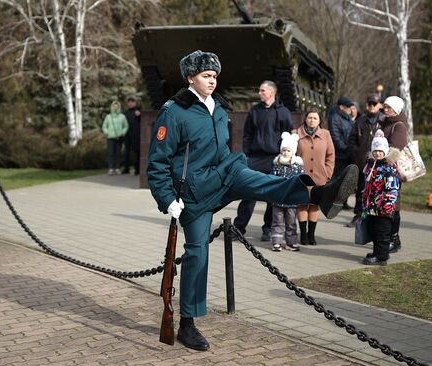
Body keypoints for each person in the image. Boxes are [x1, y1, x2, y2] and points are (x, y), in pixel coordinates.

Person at [147, 50, 358, 351]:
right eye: (206, 76)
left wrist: (232, 168)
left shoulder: (219, 109)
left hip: (224, 173)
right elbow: (157, 162)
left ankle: (318, 194)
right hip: (194, 194)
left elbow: (222, 148)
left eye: (215, 76)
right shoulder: (174, 112)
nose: (212, 81)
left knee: (259, 181)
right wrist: (167, 199)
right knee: (197, 254)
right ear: (190, 77)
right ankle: (187, 323)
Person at [233, 80, 294, 241]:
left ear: (271, 93)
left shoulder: (283, 112)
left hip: (275, 159)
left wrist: (285, 157)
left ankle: (268, 229)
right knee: (248, 194)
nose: (259, 93)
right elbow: (247, 134)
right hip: (255, 158)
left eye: (262, 91)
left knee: (271, 196)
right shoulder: (254, 111)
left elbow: (288, 136)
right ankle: (239, 228)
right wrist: (246, 154)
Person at [296, 108, 335, 245]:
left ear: (319, 121)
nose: (312, 120)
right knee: (302, 205)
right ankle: (303, 235)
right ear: (305, 119)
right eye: (310, 117)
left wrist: (328, 173)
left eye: (315, 118)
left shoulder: (326, 134)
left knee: (314, 206)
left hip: (320, 177)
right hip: (302, 177)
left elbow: (330, 156)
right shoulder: (296, 134)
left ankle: (311, 235)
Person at [361, 130, 401, 265]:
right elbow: (367, 186)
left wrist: (387, 205)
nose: (378, 153)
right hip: (371, 207)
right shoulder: (370, 165)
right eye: (375, 150)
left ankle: (382, 257)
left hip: (384, 208)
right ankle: (376, 252)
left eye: (381, 151)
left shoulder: (388, 168)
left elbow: (392, 189)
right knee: (373, 231)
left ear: (385, 152)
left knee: (382, 233)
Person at [347, 93, 385, 227]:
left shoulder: (384, 121)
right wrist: (357, 153)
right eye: (369, 104)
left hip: (380, 162)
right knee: (361, 189)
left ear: (380, 104)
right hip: (363, 161)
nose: (371, 106)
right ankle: (358, 215)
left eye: (374, 103)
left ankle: (372, 216)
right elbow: (351, 139)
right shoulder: (361, 121)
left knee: (377, 190)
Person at [378, 96, 408, 254]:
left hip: (391, 172)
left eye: (389, 107)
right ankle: (386, 237)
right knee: (384, 205)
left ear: (396, 109)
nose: (385, 109)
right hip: (381, 171)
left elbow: (396, 149)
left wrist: (379, 154)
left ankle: (394, 239)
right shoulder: (385, 123)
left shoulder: (399, 125)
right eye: (385, 107)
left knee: (393, 205)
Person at [270, 132, 304, 252]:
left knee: (291, 222)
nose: (285, 153)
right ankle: (276, 242)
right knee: (277, 222)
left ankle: (291, 242)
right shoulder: (277, 165)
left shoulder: (297, 166)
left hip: (291, 200)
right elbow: (272, 180)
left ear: (293, 151)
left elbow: (300, 181)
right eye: (284, 150)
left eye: (288, 150)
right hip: (278, 199)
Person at [328, 96, 355, 184]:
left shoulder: (347, 118)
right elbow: (335, 137)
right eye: (348, 106)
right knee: (337, 179)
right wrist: (346, 148)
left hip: (347, 154)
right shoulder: (334, 118)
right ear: (341, 107)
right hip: (340, 155)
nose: (350, 109)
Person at [102, 101, 128, 175]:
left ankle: (117, 168)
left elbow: (126, 126)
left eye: (117, 106)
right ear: (112, 107)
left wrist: (123, 132)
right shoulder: (108, 117)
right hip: (110, 137)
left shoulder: (122, 116)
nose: (115, 108)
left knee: (118, 153)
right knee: (111, 153)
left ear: (119, 107)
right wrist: (107, 132)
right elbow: (104, 126)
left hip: (119, 137)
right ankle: (111, 168)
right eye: (114, 106)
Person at [122, 96, 142, 175]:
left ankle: (137, 169)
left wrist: (140, 115)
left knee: (137, 152)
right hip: (127, 135)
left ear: (135, 103)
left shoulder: (138, 112)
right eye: (129, 102)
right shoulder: (125, 113)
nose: (130, 103)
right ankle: (126, 168)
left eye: (132, 102)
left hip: (136, 135)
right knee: (127, 152)